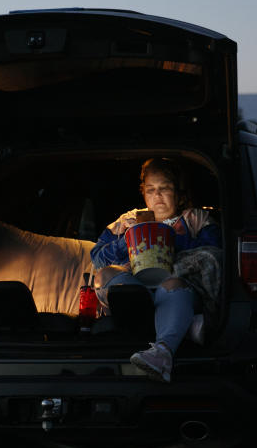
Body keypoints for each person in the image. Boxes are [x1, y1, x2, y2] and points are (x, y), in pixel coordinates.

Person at [91, 158, 220, 383]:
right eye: (150, 190)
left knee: (171, 285)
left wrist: (169, 241)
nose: (157, 196)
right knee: (105, 275)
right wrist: (129, 240)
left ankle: (162, 353)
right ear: (143, 194)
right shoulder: (127, 220)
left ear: (179, 194)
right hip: (136, 286)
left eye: (165, 189)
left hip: (176, 286)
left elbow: (213, 253)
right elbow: (97, 256)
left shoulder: (195, 219)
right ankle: (164, 318)